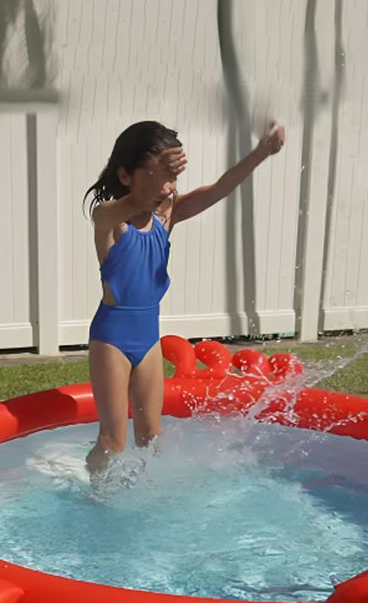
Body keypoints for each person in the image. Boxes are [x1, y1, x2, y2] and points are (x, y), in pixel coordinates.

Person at [83, 119, 286, 474]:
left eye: (172, 176)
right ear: (126, 175)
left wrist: (260, 154)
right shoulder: (109, 218)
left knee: (151, 436)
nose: (167, 187)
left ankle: (147, 494)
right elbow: (135, 203)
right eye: (158, 175)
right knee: (113, 440)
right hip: (112, 339)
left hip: (148, 338)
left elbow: (220, 188)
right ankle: (96, 496)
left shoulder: (168, 215)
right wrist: (151, 185)